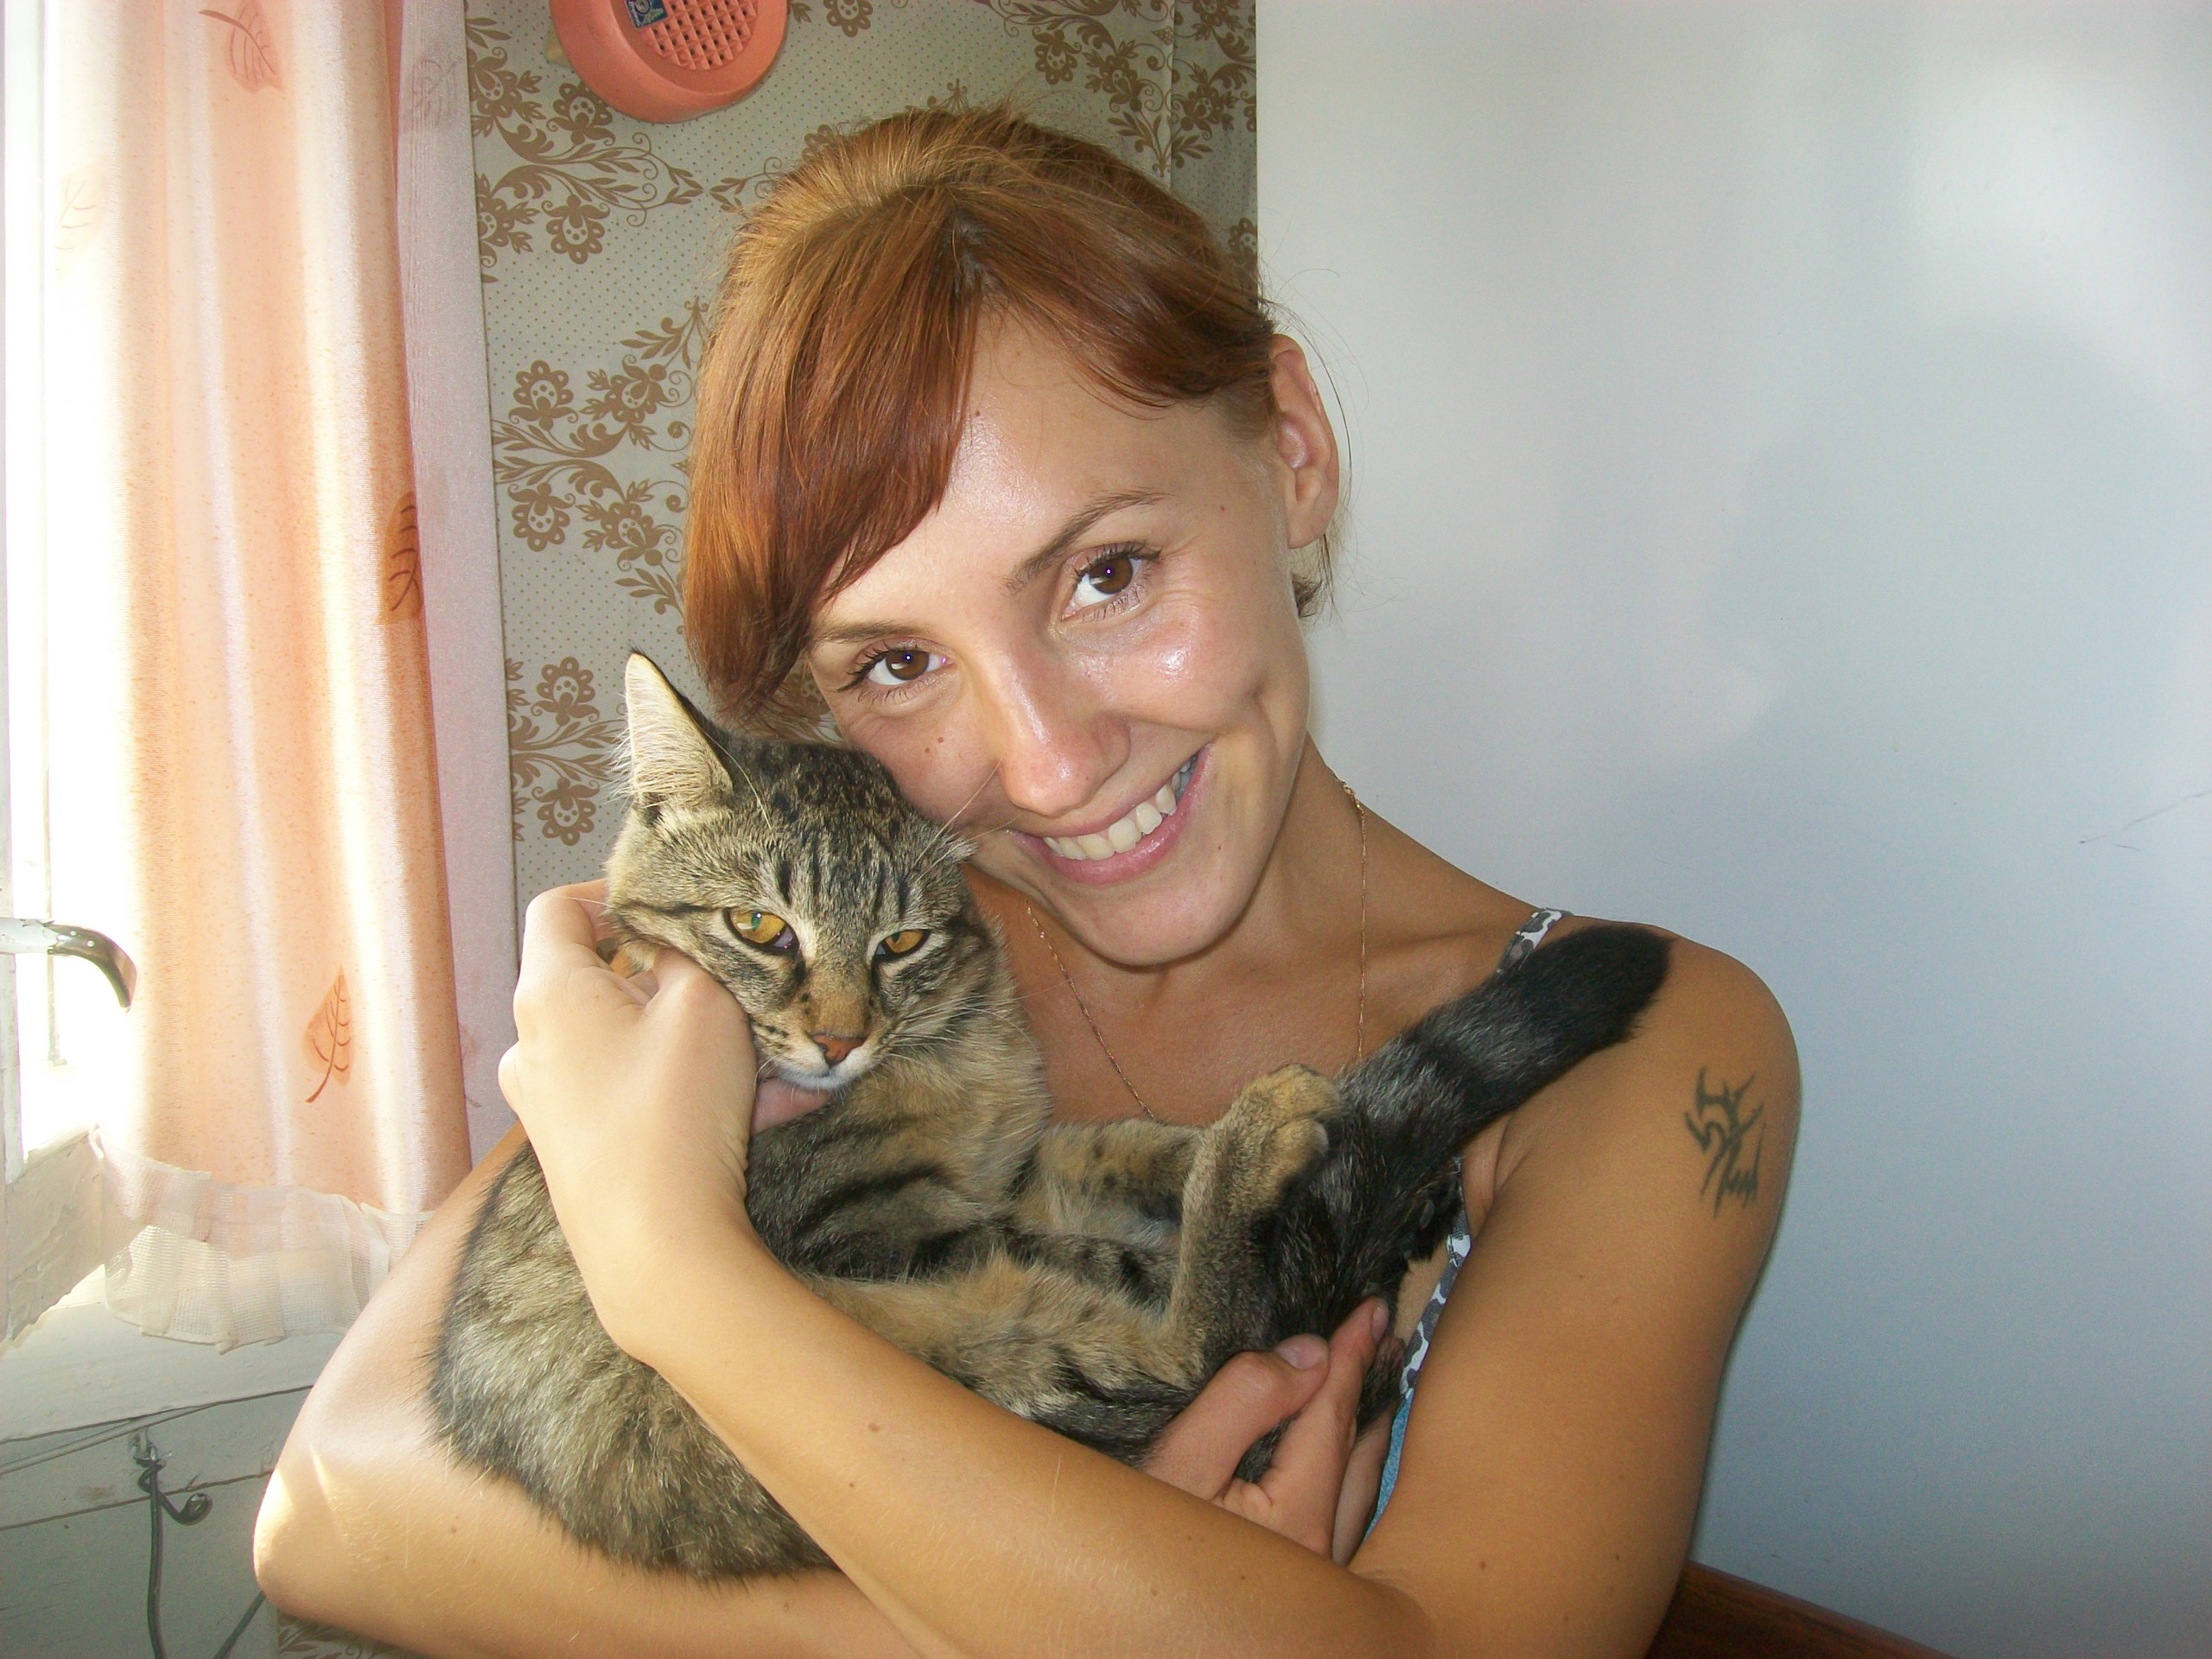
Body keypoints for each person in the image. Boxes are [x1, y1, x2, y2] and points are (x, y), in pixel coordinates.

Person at [255, 105, 1798, 1659]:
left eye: (1107, 574)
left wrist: (677, 1275)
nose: (1048, 768)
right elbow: (326, 1505)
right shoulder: (866, 964)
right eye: (898, 662)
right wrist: (1107, 1613)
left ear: (1293, 453)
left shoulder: (1655, 1061)